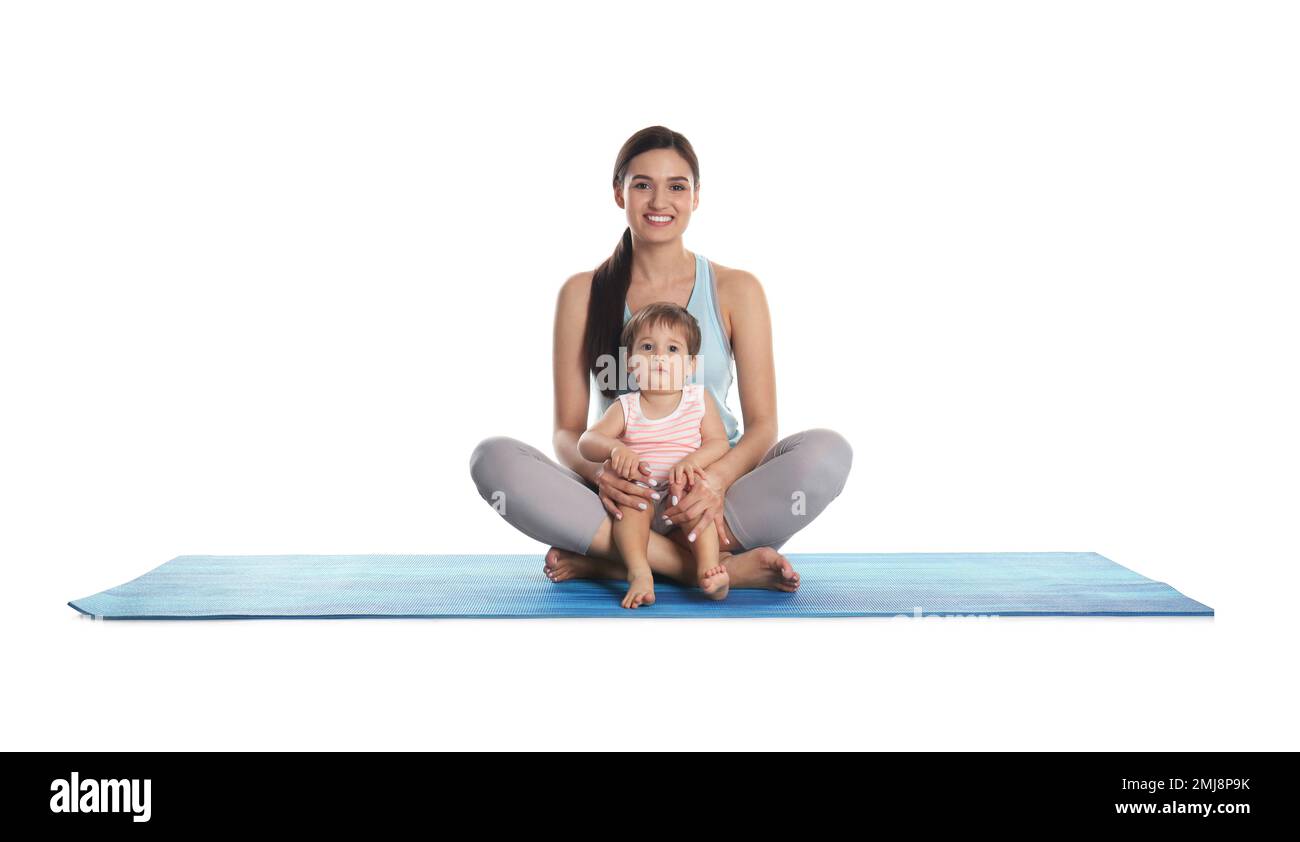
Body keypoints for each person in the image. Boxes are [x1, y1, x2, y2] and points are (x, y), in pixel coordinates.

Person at [469, 125, 853, 593]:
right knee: (492, 460)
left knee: (828, 452)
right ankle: (708, 569)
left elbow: (763, 427)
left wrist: (715, 480)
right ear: (618, 193)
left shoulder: (737, 289)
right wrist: (601, 475)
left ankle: (619, 561)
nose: (659, 201)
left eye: (677, 186)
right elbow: (569, 433)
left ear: (696, 197)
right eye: (642, 184)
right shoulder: (581, 294)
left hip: (714, 504)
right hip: (621, 501)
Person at [578, 302, 731, 608]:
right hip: (643, 494)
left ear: (690, 366)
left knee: (699, 512)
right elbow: (587, 441)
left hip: (681, 494)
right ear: (631, 364)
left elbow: (718, 443)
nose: (660, 356)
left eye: (673, 349)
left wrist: (692, 462)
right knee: (630, 507)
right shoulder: (626, 407)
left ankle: (709, 570)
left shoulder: (697, 400)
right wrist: (615, 448)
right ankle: (639, 571)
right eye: (648, 347)